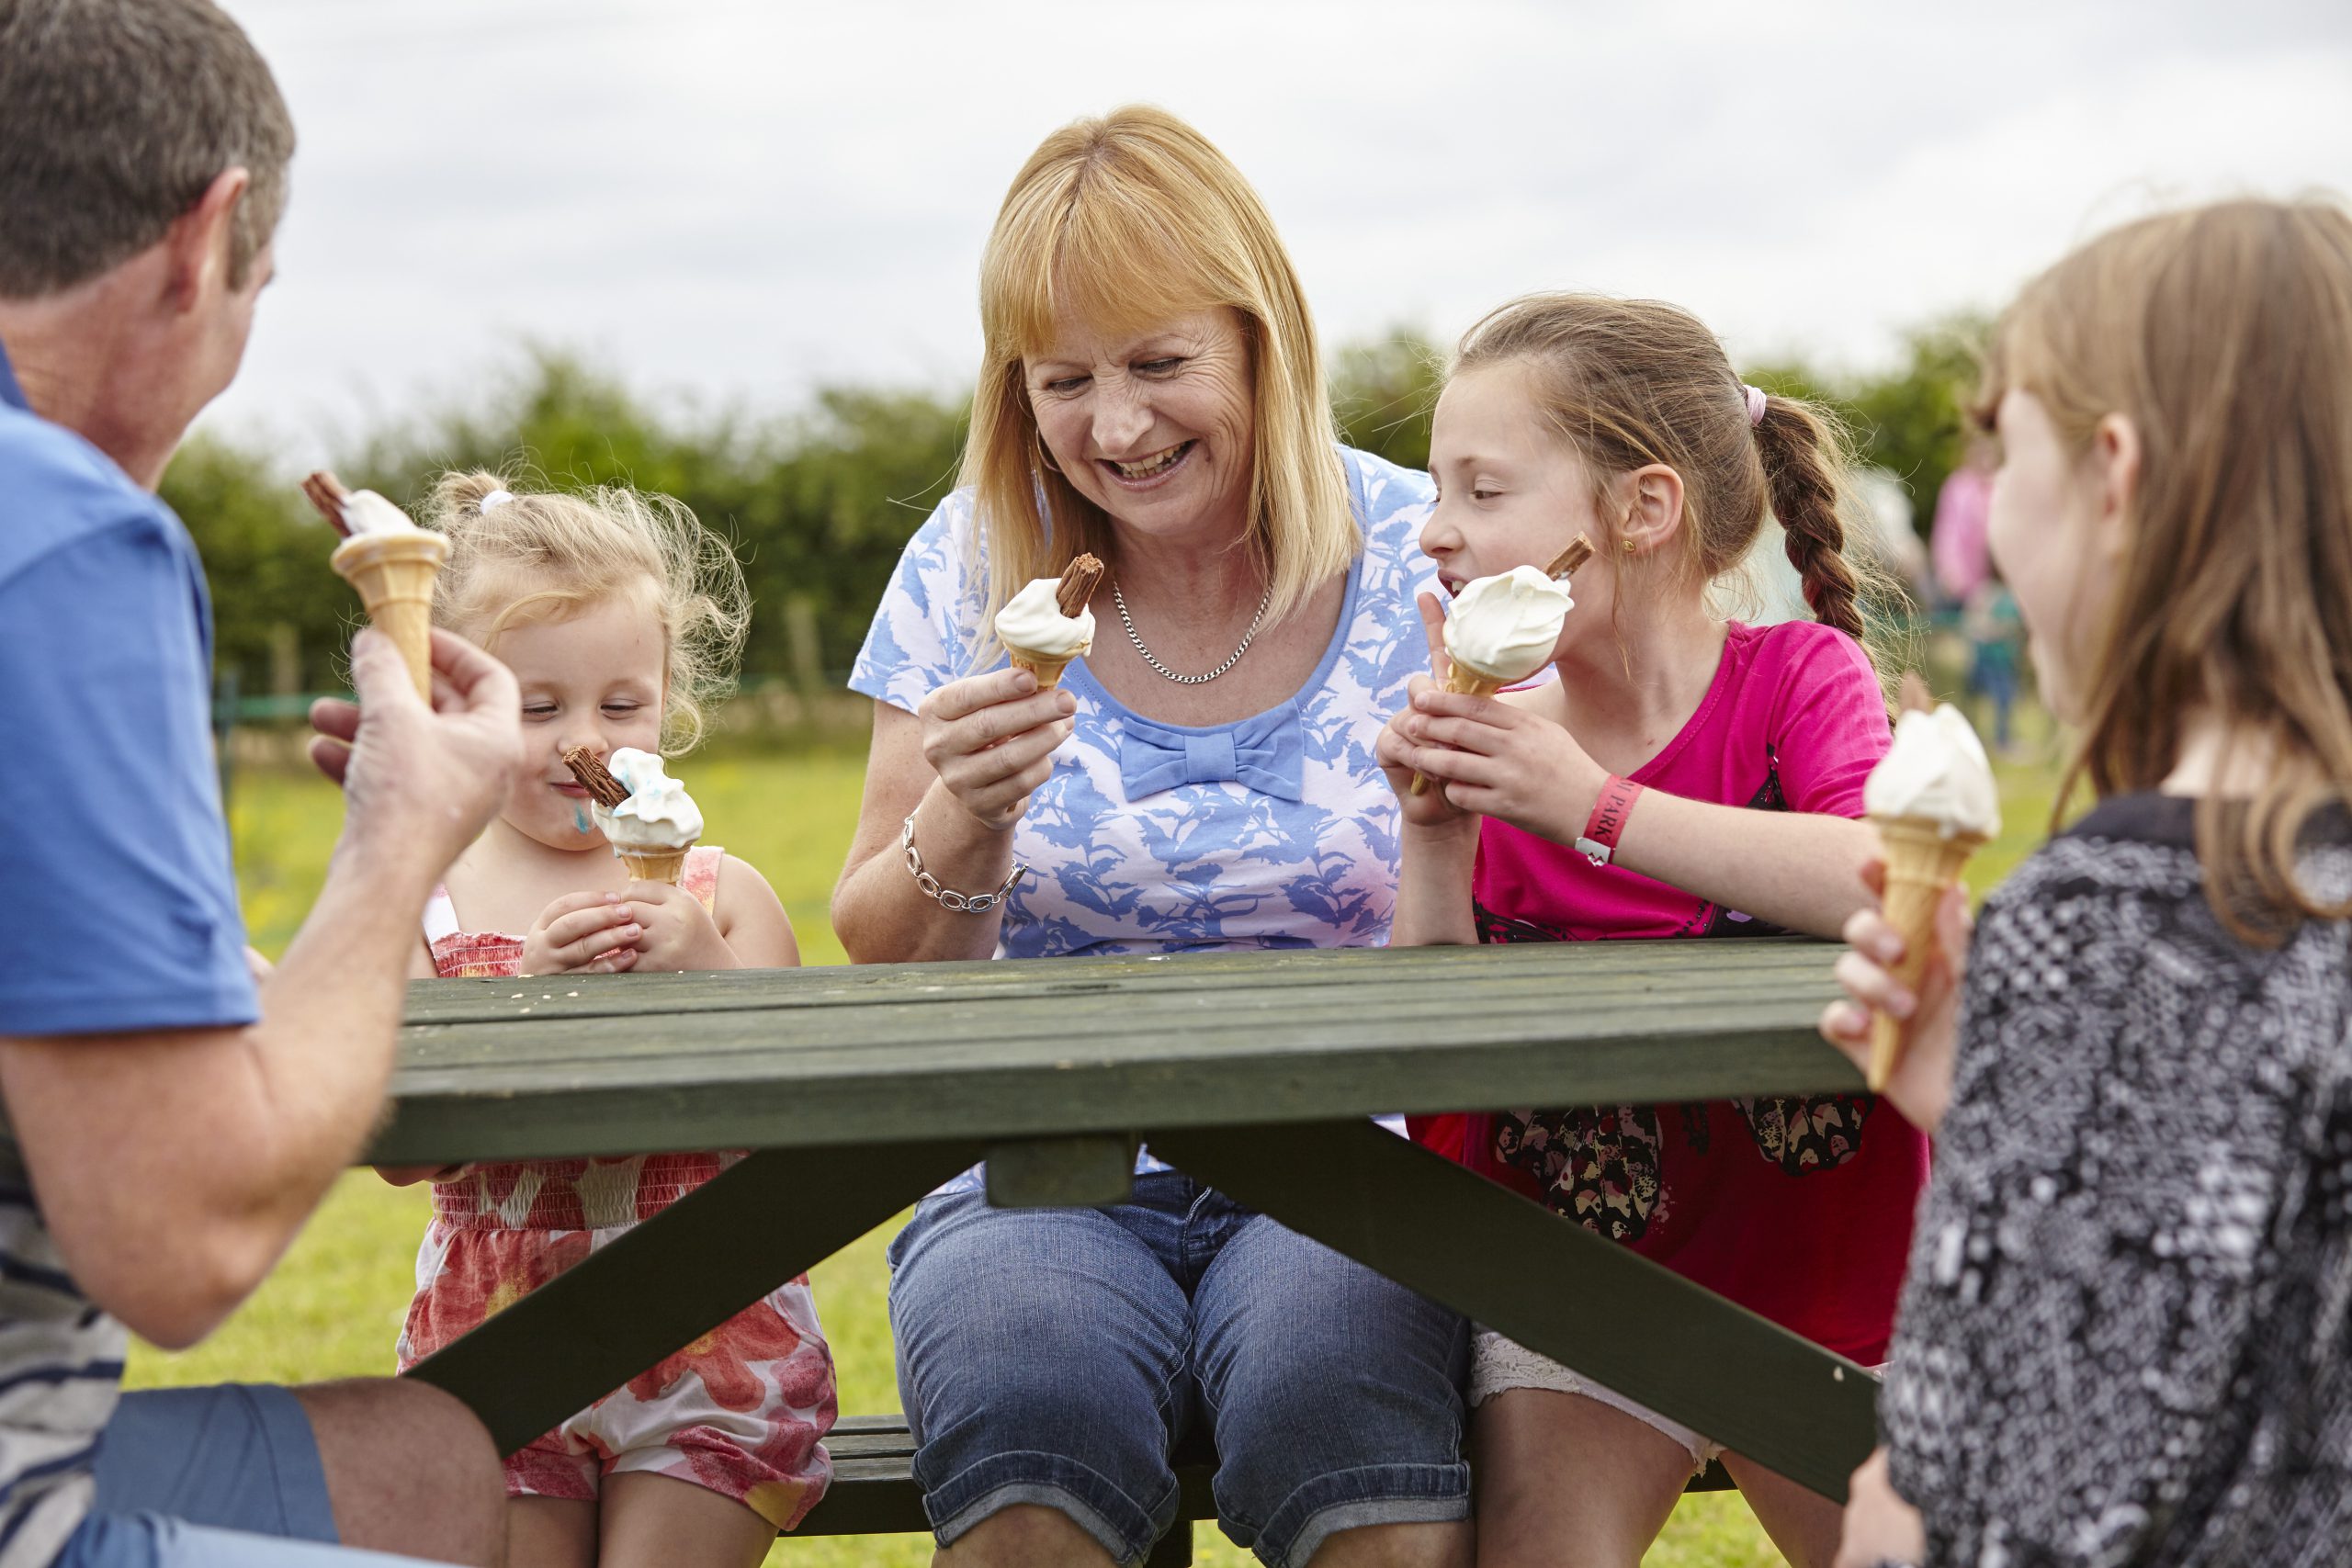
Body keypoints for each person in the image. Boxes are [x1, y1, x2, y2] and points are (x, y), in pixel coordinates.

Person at [833, 107, 1469, 1568]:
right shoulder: (968, 558)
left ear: (1262, 339)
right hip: (1033, 1156)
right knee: (1028, 1427)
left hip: (1355, 1140)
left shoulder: (1426, 556)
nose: (1115, 427)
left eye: (1160, 363)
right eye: (1065, 380)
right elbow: (878, 942)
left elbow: (1539, 902)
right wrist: (969, 808)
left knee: (1347, 1415)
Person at [0, 3, 523, 1565]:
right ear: (202, 237)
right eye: (257, 294)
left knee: (430, 1461)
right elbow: (181, 1233)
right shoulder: (65, 534)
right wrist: (402, 834)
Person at [1822, 197, 2352, 1568]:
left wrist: (1894, 1512)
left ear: (2114, 473)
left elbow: (2034, 1502)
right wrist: (1980, 1080)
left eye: (2007, 448)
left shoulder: (2112, 917)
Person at [1378, 294, 1928, 1568]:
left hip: (1831, 1281)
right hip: (1581, 1287)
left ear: (1641, 509)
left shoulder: (1797, 678)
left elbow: (1891, 880)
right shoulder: (1495, 733)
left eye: (1484, 488)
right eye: (1436, 488)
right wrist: (1436, 836)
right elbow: (1427, 1065)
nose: (1436, 529)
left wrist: (1594, 807)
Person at [378, 475, 833, 1568]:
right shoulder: (422, 904)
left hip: (714, 1343)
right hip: (495, 1343)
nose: (584, 741)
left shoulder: (723, 896)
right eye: (539, 708)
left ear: (668, 702)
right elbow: (396, 1147)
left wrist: (712, 970)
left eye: (621, 705)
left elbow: (810, 1107)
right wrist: (515, 1006)